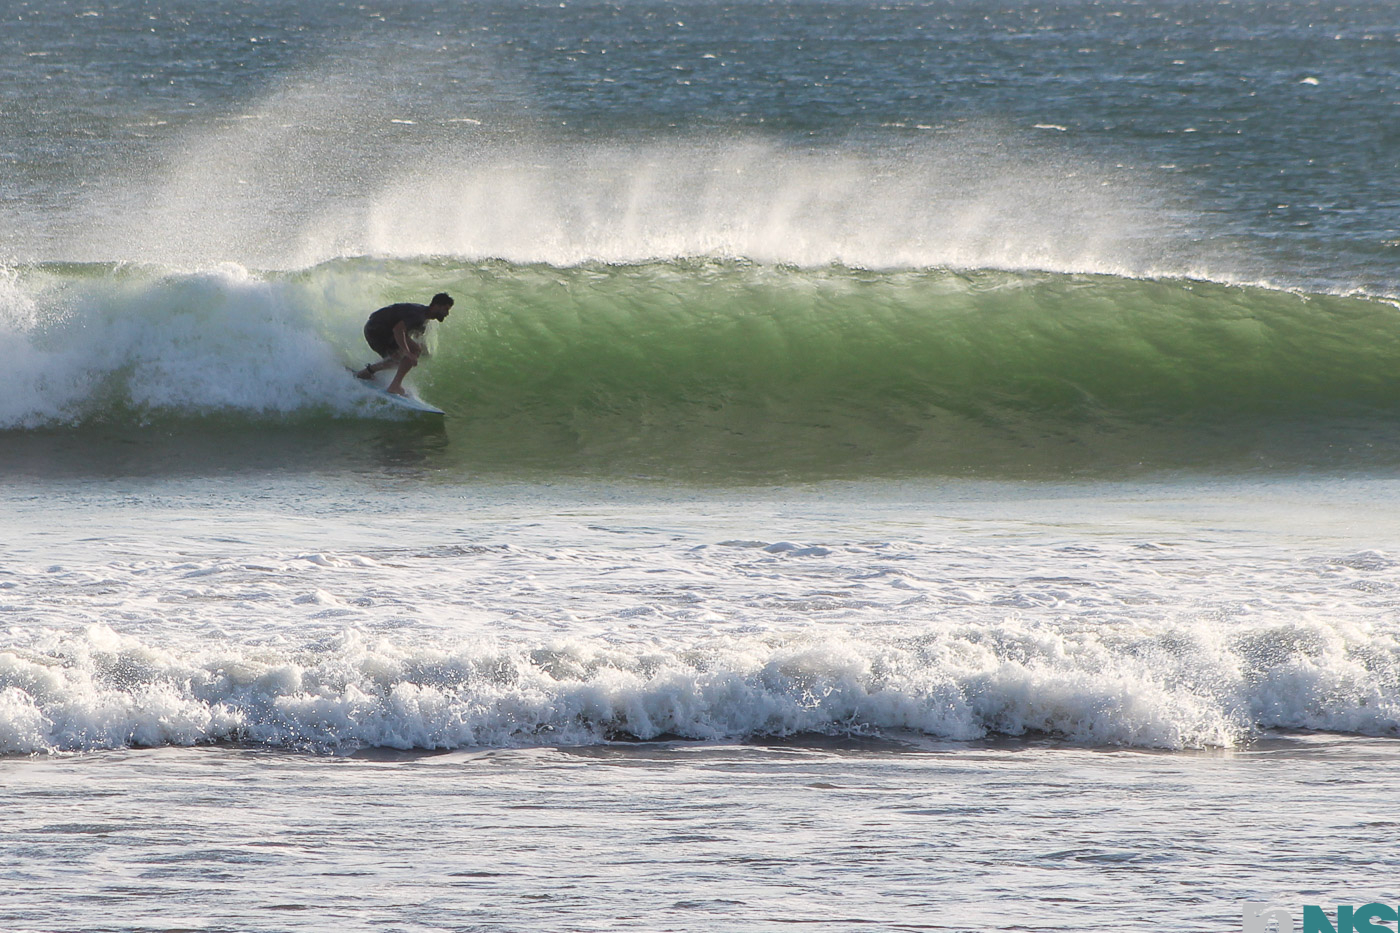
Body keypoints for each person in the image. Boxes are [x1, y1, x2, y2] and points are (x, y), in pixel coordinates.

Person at [355, 292, 453, 396]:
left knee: (400, 360)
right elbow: (398, 330)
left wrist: (424, 351)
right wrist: (408, 352)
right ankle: (395, 386)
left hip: (375, 330)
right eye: (445, 309)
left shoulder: (424, 317)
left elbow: (416, 337)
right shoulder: (418, 315)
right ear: (436, 306)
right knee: (412, 352)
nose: (447, 313)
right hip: (376, 330)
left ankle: (367, 372)